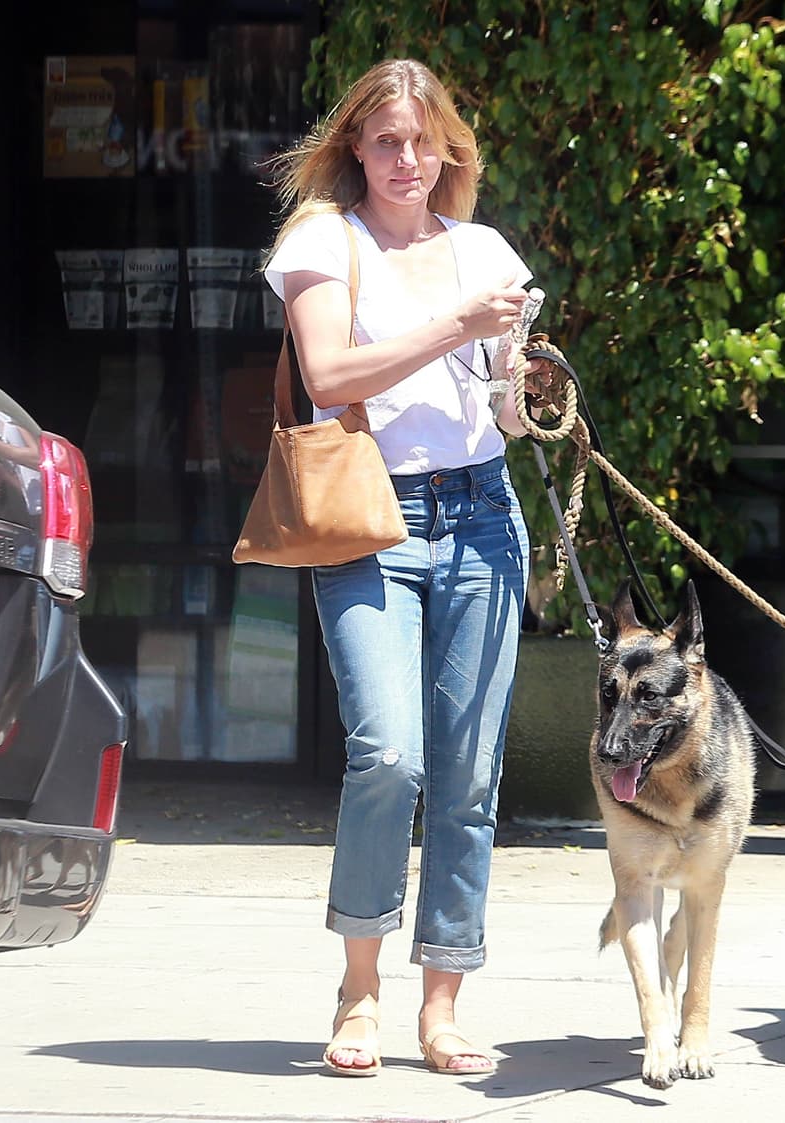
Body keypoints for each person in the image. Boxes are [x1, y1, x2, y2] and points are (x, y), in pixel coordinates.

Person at [263, 58, 548, 1078]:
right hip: (369, 515)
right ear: (355, 145)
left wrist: (523, 383)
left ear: (446, 149)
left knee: (469, 774)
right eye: (386, 140)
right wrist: (457, 327)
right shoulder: (320, 240)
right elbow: (329, 372)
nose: (406, 160)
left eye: (423, 141)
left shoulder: (485, 252)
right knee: (388, 752)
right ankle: (359, 989)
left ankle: (442, 1001)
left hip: (482, 516)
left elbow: (509, 418)